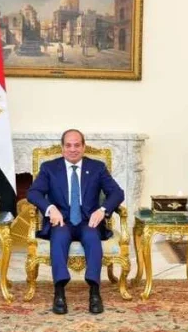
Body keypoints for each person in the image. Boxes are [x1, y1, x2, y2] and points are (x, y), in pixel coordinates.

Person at [26, 129, 124, 315]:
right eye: (68, 145)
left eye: (77, 145)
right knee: (59, 237)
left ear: (83, 147)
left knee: (92, 238)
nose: (73, 149)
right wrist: (50, 208)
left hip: (88, 221)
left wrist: (102, 210)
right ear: (62, 148)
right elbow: (33, 192)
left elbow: (117, 193)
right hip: (61, 221)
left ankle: (94, 292)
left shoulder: (97, 167)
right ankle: (59, 292)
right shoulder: (49, 168)